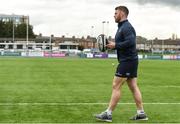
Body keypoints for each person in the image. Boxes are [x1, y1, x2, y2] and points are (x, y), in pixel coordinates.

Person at [94, 6, 148, 122]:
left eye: (116, 13)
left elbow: (131, 42)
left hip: (127, 61)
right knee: (133, 86)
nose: (114, 15)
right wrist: (111, 44)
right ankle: (141, 113)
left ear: (122, 14)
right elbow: (123, 43)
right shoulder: (121, 27)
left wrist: (116, 45)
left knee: (116, 85)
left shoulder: (126, 27)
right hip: (130, 60)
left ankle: (108, 114)